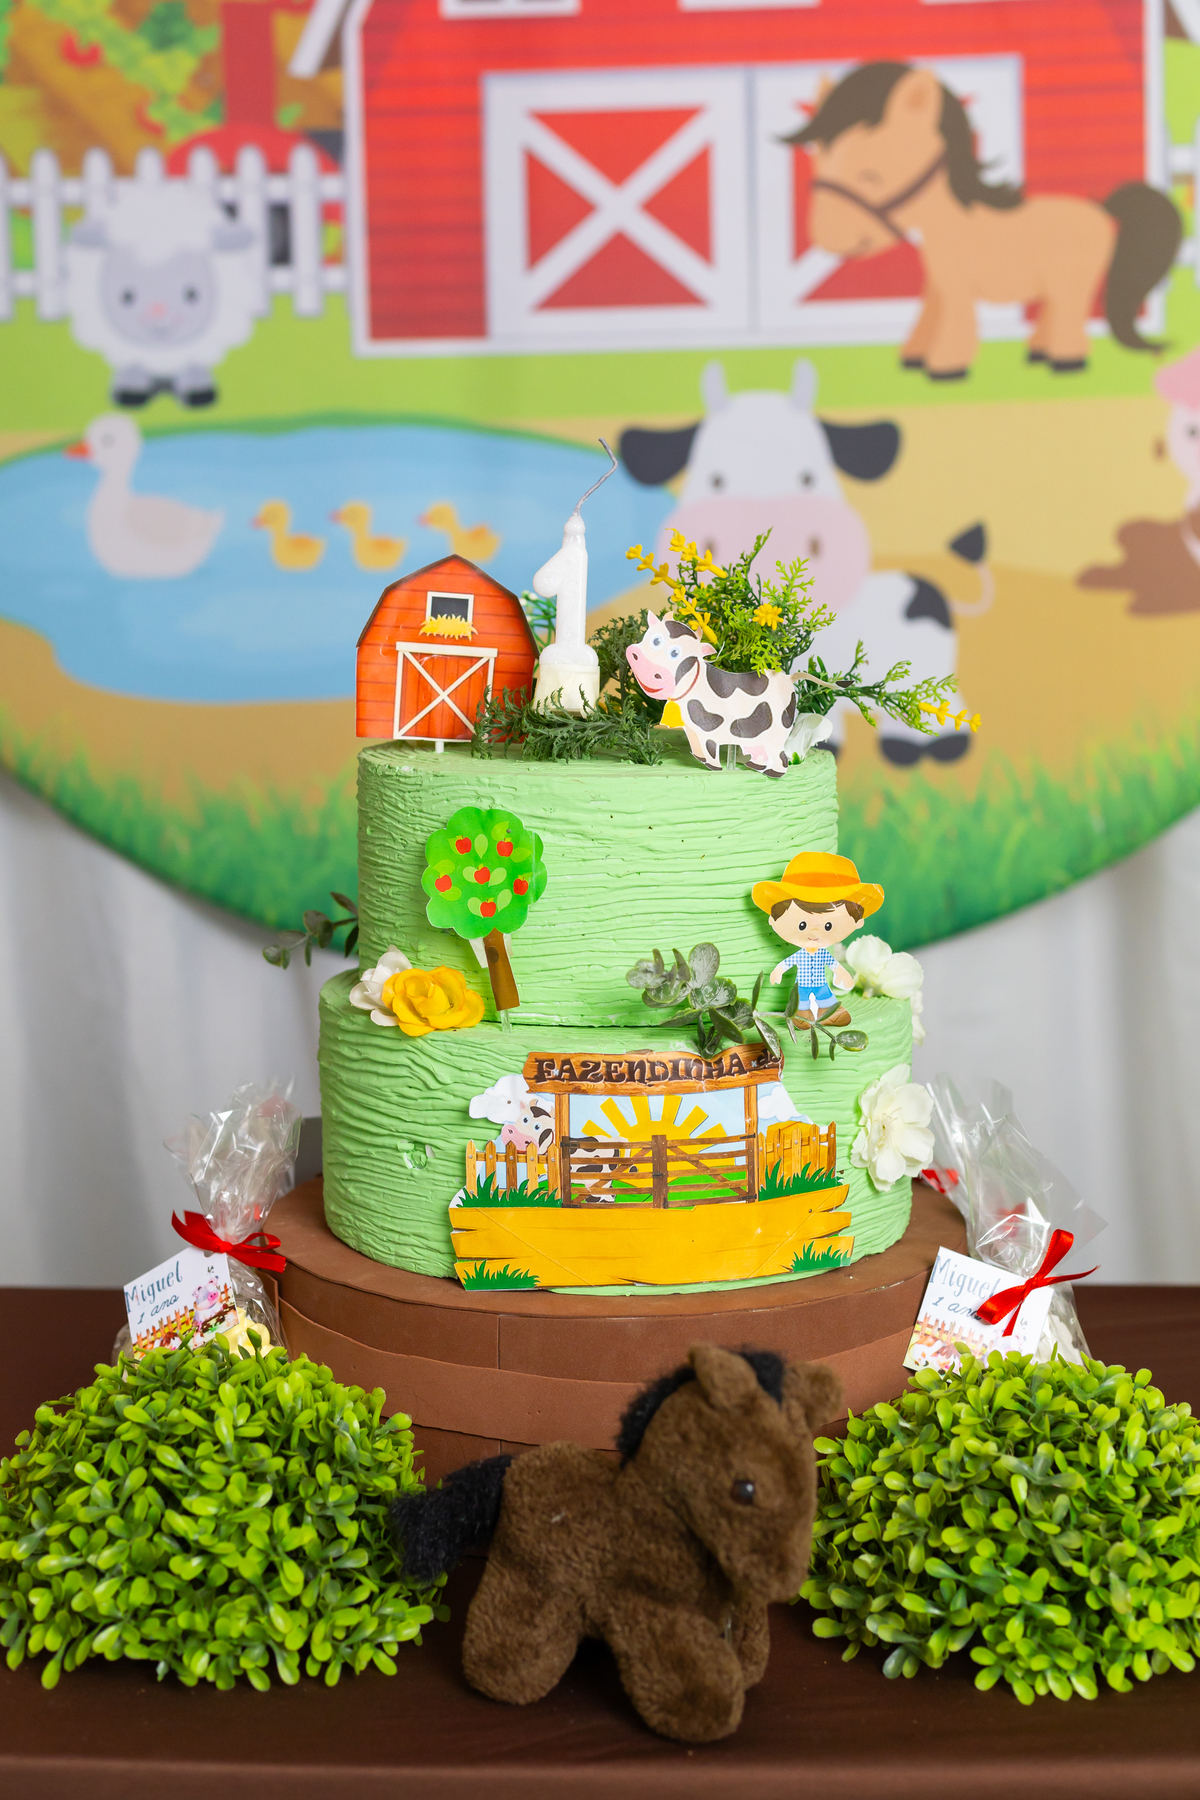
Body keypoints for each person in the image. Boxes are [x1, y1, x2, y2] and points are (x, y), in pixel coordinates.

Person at [750, 852, 884, 1023]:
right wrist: (778, 971)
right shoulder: (801, 955)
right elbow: (788, 963)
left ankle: (830, 1014)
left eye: (828, 926)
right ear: (774, 919)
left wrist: (842, 974)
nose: (813, 933)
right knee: (801, 1003)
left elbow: (834, 965)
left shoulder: (823, 954)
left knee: (826, 999)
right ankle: (801, 1016)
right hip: (802, 987)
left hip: (821, 985)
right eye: (802, 925)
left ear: (857, 921)